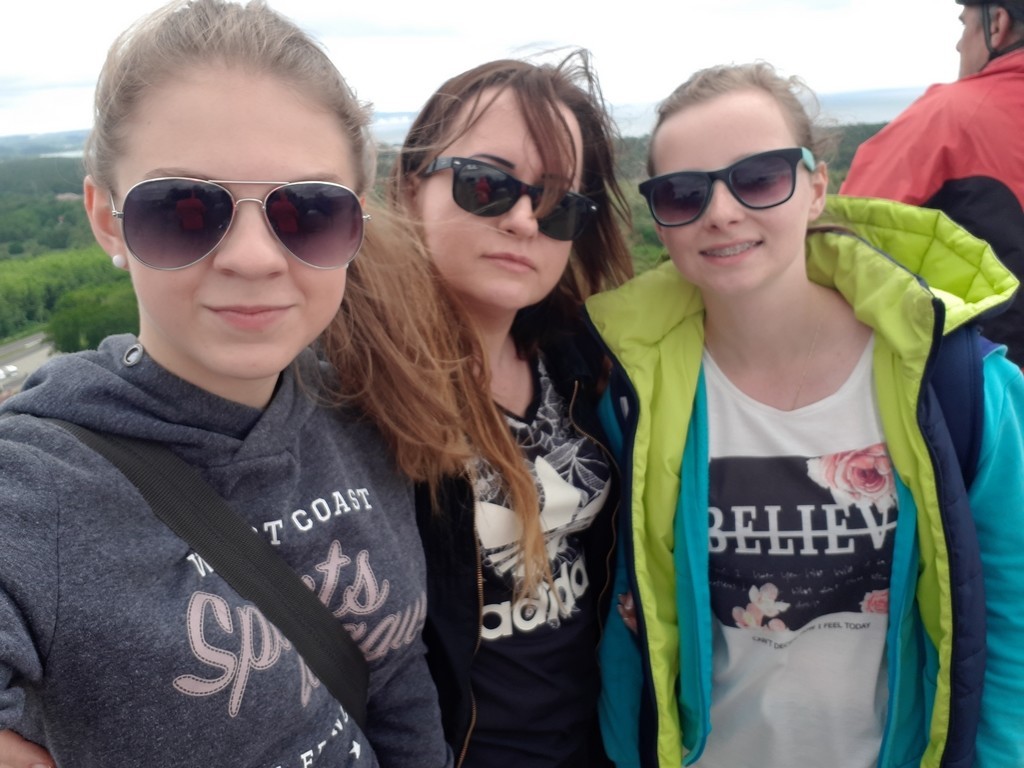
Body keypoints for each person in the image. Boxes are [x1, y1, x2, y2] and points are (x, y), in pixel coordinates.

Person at [0, 1, 471, 765]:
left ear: (353, 226)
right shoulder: (36, 485)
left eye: (308, 210)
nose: (253, 257)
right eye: (183, 210)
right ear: (107, 220)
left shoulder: (359, 413)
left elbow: (394, 677)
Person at [587, 61, 1024, 767]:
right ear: (659, 221)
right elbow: (630, 610)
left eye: (759, 178)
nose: (720, 212)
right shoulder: (636, 394)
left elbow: (1011, 607)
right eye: (683, 193)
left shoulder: (955, 384)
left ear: (817, 188)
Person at [391, 51, 634, 767]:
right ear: (411, 188)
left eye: (560, 204)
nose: (526, 220)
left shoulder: (583, 361)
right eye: (487, 185)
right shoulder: (356, 387)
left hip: (597, 744)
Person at [841, 0, 1024, 365]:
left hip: (986, 378)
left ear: (996, 24)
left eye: (963, 24)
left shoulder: (949, 117)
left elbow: (843, 240)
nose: (958, 44)